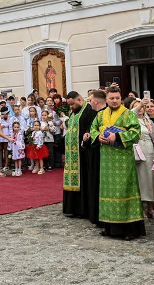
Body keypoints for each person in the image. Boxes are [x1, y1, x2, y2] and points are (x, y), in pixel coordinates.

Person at [90, 86, 145, 241]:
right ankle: (109, 227)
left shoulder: (128, 115)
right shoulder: (100, 115)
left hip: (123, 160)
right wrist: (98, 136)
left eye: (117, 98)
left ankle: (130, 229)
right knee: (107, 192)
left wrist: (118, 137)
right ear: (106, 99)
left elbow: (136, 133)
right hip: (106, 160)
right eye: (111, 98)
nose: (114, 101)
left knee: (125, 191)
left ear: (121, 99)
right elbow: (93, 129)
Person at [80, 90, 105, 225]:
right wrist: (86, 137)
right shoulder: (96, 114)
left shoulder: (105, 114)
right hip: (93, 151)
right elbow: (92, 130)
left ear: (95, 101)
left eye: (90, 100)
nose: (89, 103)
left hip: (102, 153)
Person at [131, 99, 154, 220]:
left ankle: (151, 208)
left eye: (142, 107)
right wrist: (139, 104)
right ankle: (140, 208)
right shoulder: (131, 119)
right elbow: (130, 113)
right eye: (138, 107)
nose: (141, 109)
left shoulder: (148, 121)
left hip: (150, 151)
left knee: (150, 179)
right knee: (140, 179)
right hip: (137, 150)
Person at [62, 91, 87, 215]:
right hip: (71, 155)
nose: (71, 107)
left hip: (81, 154)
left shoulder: (87, 112)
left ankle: (80, 209)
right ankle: (71, 208)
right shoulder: (73, 113)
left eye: (72, 104)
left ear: (80, 100)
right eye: (69, 105)